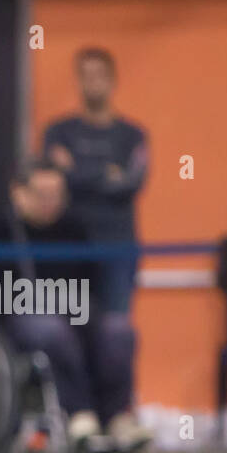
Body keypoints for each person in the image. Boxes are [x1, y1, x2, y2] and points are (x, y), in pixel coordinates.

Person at [0, 159, 150, 453]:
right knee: (52, 330)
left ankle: (118, 417)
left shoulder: (74, 229)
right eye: (41, 194)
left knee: (117, 330)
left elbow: (93, 284)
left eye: (56, 195)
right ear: (19, 193)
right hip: (18, 319)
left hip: (76, 313)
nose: (50, 203)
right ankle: (79, 415)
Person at [43, 47, 148, 319]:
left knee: (115, 329)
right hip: (69, 248)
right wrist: (106, 173)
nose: (92, 82)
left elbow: (131, 184)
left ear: (113, 80)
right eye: (85, 75)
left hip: (117, 248)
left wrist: (76, 169)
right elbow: (53, 182)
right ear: (77, 81)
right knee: (69, 327)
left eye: (99, 75)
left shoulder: (133, 136)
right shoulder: (58, 132)